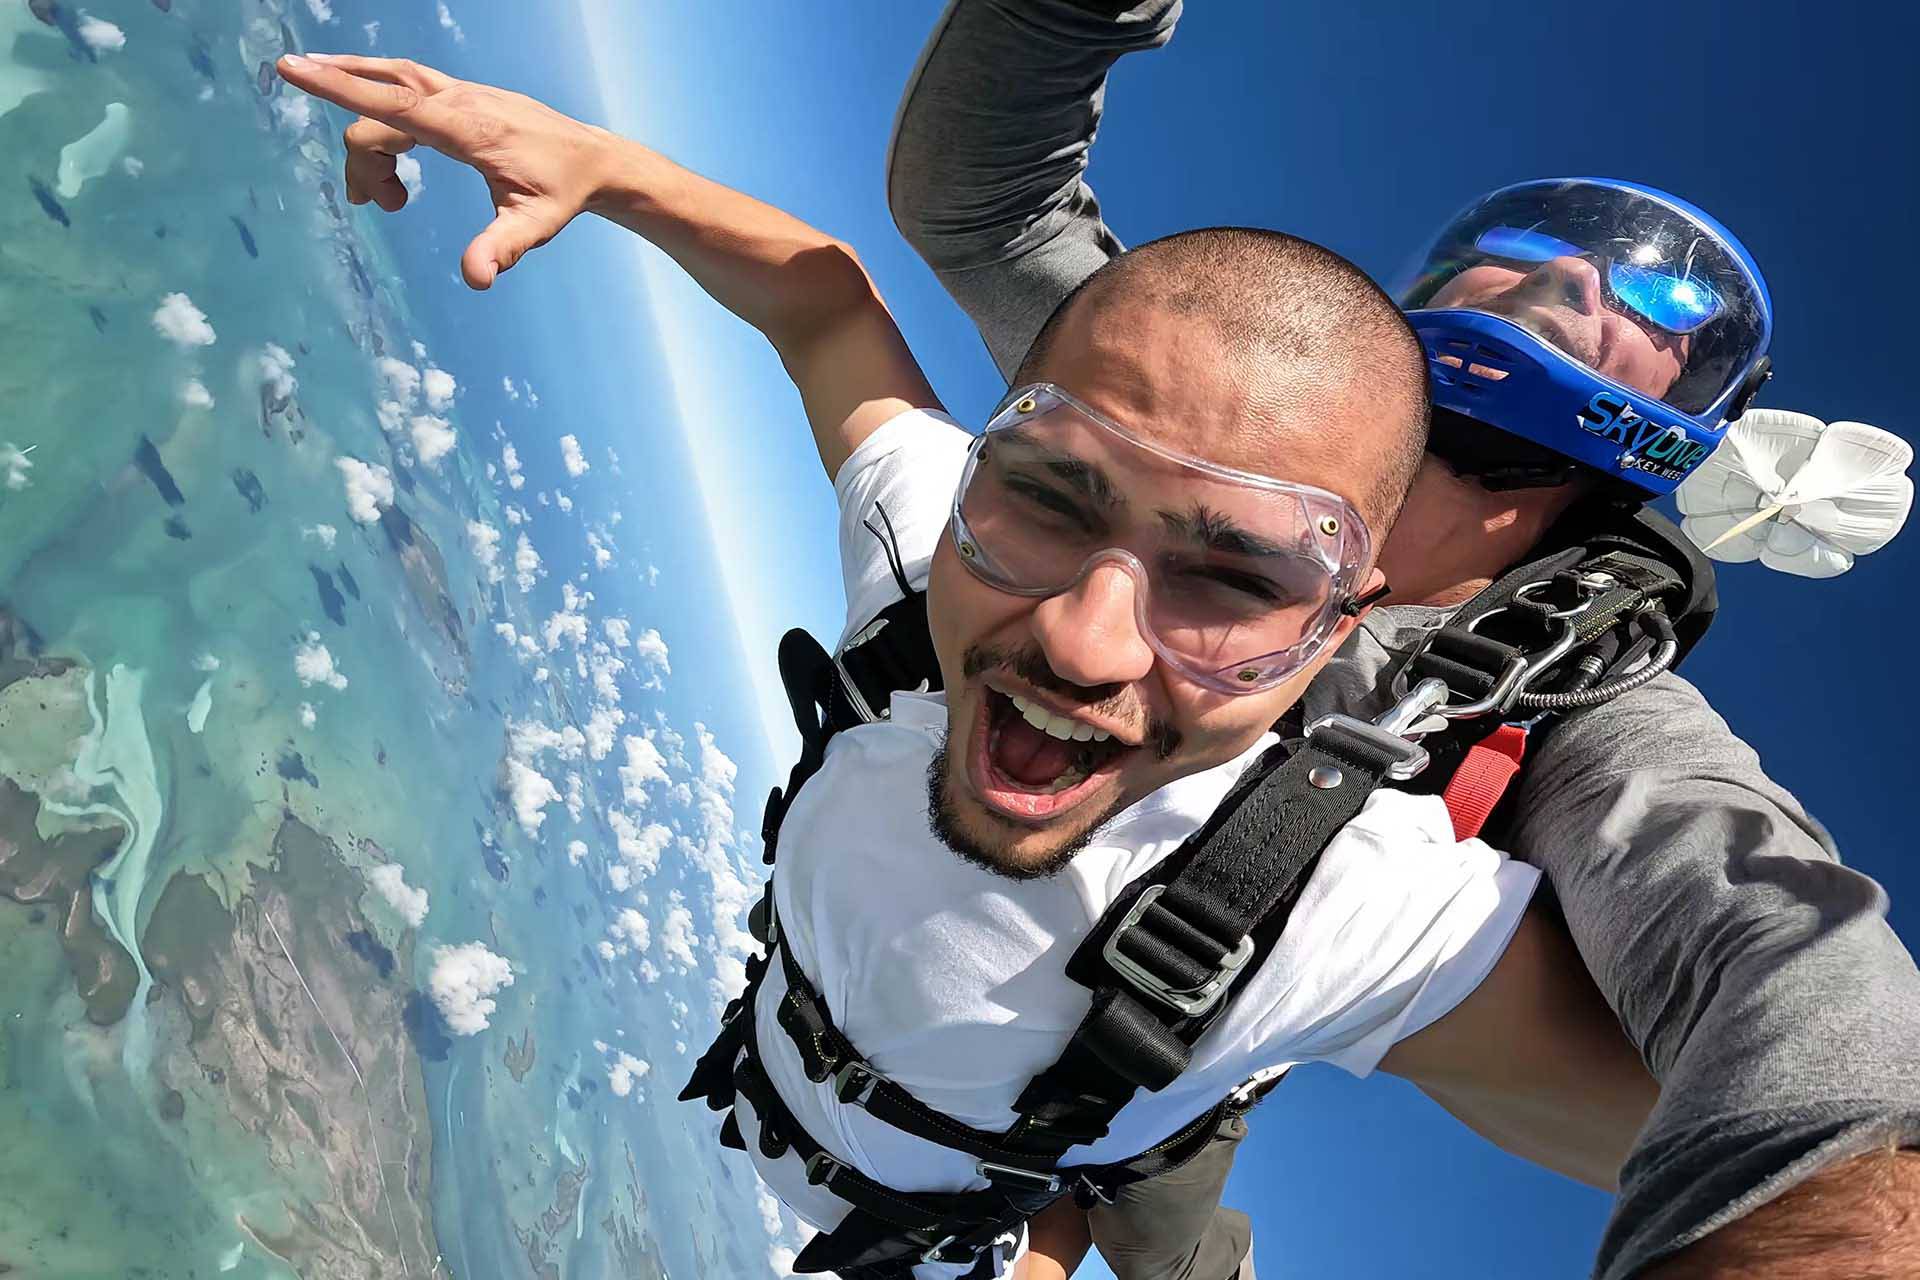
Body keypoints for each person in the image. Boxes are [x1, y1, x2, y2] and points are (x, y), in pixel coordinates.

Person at [279, 53, 1668, 1280]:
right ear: (976, 480)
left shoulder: (1337, 902)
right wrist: (609, 165)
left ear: (1337, 628)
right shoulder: (925, 580)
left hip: (974, 1219)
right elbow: (822, 310)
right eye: (1049, 499)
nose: (1081, 637)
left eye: (1238, 577)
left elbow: (1810, 1158)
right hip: (825, 1113)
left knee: (1168, 1224)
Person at [885, 3, 1920, 1278]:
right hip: (947, 891)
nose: (1578, 275)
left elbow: (1774, 944)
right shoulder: (1211, 406)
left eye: (1658, 297)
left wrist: (1847, 1204)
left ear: (1694, 415)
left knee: (1158, 1221)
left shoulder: (1582, 701)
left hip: (1162, 1030)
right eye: (1535, 243)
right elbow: (984, 206)